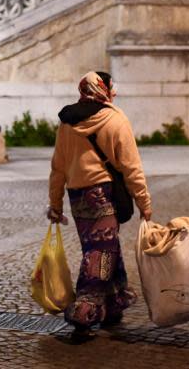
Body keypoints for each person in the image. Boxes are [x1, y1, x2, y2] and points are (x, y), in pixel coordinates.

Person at [47, 71, 152, 341]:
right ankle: (83, 314)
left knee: (104, 248)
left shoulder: (67, 121)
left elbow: (58, 167)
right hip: (103, 194)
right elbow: (131, 167)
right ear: (104, 89)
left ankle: (113, 307)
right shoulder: (114, 119)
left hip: (77, 196)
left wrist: (55, 202)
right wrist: (144, 202)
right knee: (100, 256)